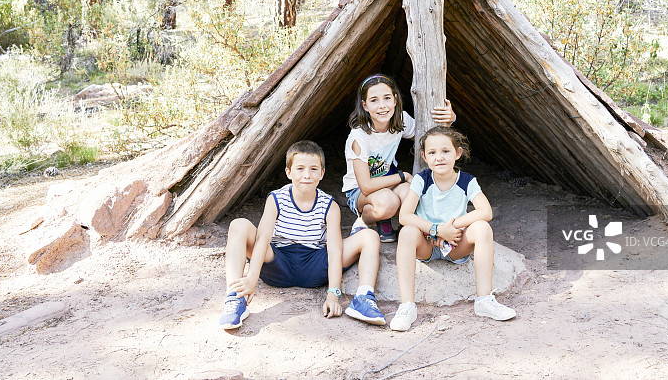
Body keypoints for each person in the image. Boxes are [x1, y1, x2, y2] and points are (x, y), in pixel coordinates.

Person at [219, 140, 386, 330]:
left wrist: (333, 293)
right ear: (288, 172)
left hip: (315, 265)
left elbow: (334, 249)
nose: (307, 175)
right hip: (277, 263)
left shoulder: (329, 205)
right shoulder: (276, 199)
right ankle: (235, 298)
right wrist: (251, 279)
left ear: (322, 173)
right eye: (300, 169)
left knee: (369, 236)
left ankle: (363, 299)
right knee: (239, 225)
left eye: (314, 169)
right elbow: (262, 239)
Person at [389, 126, 516, 331]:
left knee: (482, 228)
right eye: (432, 153)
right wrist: (436, 230)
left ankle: (484, 300)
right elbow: (405, 216)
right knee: (407, 232)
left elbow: (486, 211)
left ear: (457, 153)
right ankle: (407, 307)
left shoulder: (466, 181)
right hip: (427, 244)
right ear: (424, 156)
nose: (439, 157)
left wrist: (452, 227)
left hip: (456, 245)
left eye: (445, 151)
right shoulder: (422, 180)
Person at [342, 74, 455, 243]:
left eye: (387, 98)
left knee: (412, 194)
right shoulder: (359, 137)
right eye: (374, 100)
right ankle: (365, 222)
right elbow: (365, 186)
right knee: (388, 202)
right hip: (359, 191)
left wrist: (450, 120)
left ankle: (405, 227)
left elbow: (430, 138)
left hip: (389, 182)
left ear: (395, 100)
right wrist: (403, 176)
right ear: (364, 105)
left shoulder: (400, 120)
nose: (382, 106)